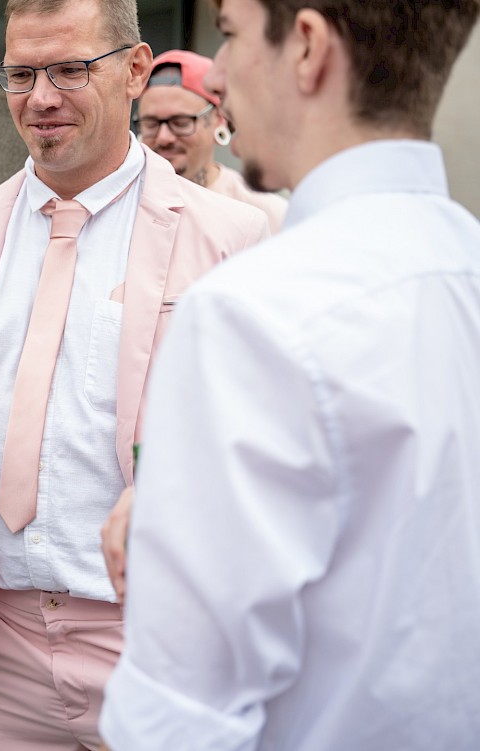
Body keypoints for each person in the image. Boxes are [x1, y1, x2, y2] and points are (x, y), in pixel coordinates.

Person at [0, 0, 269, 747]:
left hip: (161, 640)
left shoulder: (232, 237)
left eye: (68, 69)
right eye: (22, 73)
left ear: (133, 70)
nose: (42, 98)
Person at [100, 0, 480, 749]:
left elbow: (177, 725)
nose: (224, 74)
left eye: (232, 35)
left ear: (306, 47)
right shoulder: (465, 265)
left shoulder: (249, 314)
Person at [135, 49, 288, 231]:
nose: (164, 137)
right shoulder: (125, 205)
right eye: (151, 123)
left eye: (181, 122)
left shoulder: (264, 214)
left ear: (219, 119)